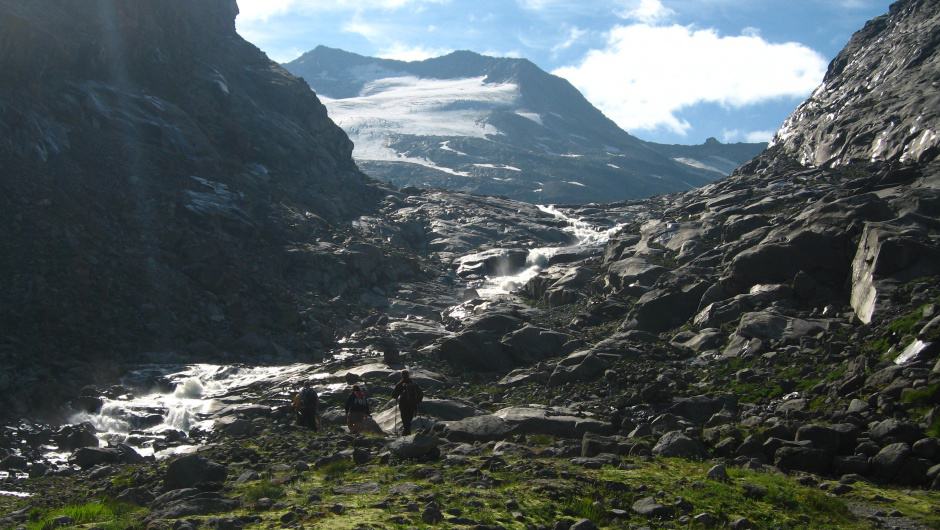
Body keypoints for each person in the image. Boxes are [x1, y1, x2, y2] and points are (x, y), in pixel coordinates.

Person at [391, 370, 423, 435]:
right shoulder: (414, 384)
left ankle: (406, 431)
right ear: (408, 375)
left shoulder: (400, 384)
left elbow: (394, 395)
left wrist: (398, 395)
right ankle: (407, 430)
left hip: (403, 403)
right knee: (410, 417)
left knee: (404, 417)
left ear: (402, 375)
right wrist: (417, 401)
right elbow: (421, 394)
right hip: (413, 404)